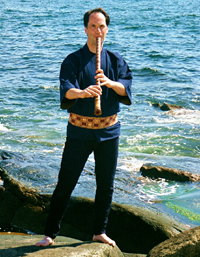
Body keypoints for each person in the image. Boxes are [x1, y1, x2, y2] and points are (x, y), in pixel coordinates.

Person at [36, 7, 132, 247]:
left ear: (107, 29)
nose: (98, 31)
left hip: (109, 132)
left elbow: (126, 89)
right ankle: (49, 234)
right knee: (66, 182)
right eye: (93, 26)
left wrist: (110, 83)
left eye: (102, 26)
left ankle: (99, 231)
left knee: (105, 184)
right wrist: (82, 92)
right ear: (85, 29)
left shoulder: (116, 60)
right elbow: (66, 89)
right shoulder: (73, 60)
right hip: (79, 131)